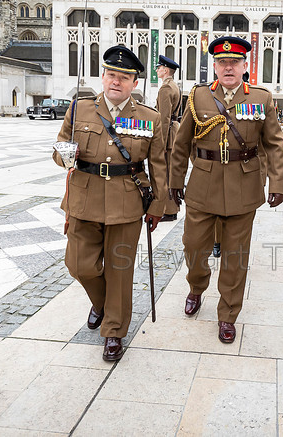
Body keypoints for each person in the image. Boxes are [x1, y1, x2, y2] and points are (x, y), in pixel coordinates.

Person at [169, 36, 283, 344]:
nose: (229, 68)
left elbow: (273, 143)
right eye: (223, 63)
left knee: (235, 257)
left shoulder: (261, 97)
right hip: (203, 184)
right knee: (194, 247)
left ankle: (228, 314)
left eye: (234, 62)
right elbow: (181, 144)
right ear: (215, 67)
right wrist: (174, 181)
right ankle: (197, 286)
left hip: (243, 185)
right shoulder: (198, 97)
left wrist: (278, 182)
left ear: (245, 66)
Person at [53, 44, 167, 361]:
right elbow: (59, 148)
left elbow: (159, 166)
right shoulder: (79, 109)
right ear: (103, 77)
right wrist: (64, 155)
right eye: (111, 74)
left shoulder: (149, 118)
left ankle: (114, 332)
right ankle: (101, 303)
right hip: (83, 198)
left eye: (123, 77)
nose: (116, 81)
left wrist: (158, 206)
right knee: (79, 265)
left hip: (126, 203)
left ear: (135, 83)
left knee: (119, 271)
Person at [155, 55, 182, 222]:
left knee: (165, 175)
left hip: (168, 134)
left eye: (159, 68)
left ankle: (170, 210)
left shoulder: (165, 88)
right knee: (170, 173)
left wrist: (161, 143)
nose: (157, 70)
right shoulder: (174, 86)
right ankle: (172, 208)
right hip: (174, 131)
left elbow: (163, 118)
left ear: (165, 70)